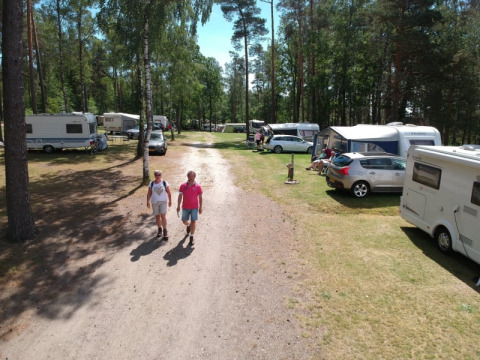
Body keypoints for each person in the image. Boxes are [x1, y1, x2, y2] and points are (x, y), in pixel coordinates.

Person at [176, 170, 203, 247]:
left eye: (192, 176)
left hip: (194, 207)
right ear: (188, 176)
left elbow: (200, 198)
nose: (191, 177)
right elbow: (180, 196)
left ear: (194, 177)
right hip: (185, 207)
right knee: (184, 221)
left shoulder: (198, 186)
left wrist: (200, 207)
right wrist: (178, 206)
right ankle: (188, 225)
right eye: (190, 176)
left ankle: (192, 236)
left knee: (193, 221)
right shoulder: (183, 185)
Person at [147, 170, 172, 239]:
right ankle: (159, 229)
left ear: (161, 175)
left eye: (159, 175)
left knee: (163, 216)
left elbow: (169, 192)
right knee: (157, 216)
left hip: (163, 201)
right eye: (156, 175)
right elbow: (149, 193)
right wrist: (148, 201)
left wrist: (170, 201)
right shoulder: (151, 183)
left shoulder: (164, 183)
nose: (157, 176)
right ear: (154, 176)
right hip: (155, 202)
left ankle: (165, 231)